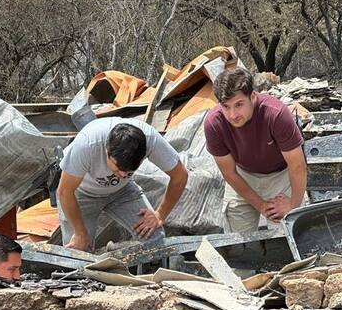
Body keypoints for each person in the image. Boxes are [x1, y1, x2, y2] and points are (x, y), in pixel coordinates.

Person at [57, 118, 188, 251]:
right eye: (118, 168)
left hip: (123, 191)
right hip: (81, 194)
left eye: (129, 171)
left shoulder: (151, 140)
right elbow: (65, 192)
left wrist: (160, 214)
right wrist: (80, 233)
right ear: (107, 151)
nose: (122, 174)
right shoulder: (87, 145)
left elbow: (180, 175)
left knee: (154, 237)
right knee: (77, 251)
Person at [204, 67, 307, 234]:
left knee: (287, 232)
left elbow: (298, 166)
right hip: (242, 175)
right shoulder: (213, 124)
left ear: (252, 96)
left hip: (281, 175)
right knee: (237, 238)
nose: (233, 114)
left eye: (239, 105)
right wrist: (261, 205)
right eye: (226, 107)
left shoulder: (276, 114)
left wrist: (293, 205)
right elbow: (229, 173)